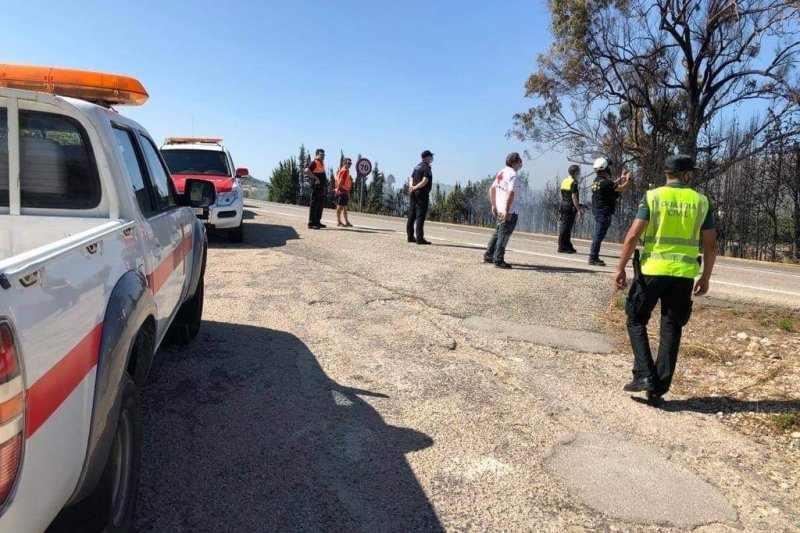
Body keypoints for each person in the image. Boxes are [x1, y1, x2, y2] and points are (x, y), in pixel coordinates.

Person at [614, 154, 717, 407]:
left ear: (667, 173)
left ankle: (643, 375)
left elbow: (633, 235)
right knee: (671, 328)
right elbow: (711, 245)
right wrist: (705, 277)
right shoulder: (701, 201)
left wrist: (620, 268)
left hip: (652, 271)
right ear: (686, 174)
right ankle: (658, 388)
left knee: (636, 319)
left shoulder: (653, 197)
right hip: (683, 275)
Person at [483, 152, 524, 269]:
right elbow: (511, 193)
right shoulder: (513, 175)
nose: (521, 163)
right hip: (509, 210)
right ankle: (498, 259)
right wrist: (507, 210)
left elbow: (492, 188)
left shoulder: (501, 172)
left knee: (498, 232)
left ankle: (489, 255)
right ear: (514, 162)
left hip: (500, 208)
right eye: (519, 161)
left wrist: (494, 205)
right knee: (504, 234)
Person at [407, 150, 434, 245]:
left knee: (412, 215)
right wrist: (416, 187)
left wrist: (411, 187)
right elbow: (425, 180)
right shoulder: (426, 167)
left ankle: (410, 236)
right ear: (427, 157)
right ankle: (420, 238)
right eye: (431, 157)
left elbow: (411, 178)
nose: (432, 158)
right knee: (420, 215)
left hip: (413, 193)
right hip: (421, 193)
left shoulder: (417, 166)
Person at [557, 164, 584, 253]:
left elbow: (561, 194)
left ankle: (568, 245)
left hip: (564, 204)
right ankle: (562, 246)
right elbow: (574, 197)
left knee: (566, 226)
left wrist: (562, 203)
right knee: (566, 227)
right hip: (570, 206)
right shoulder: (574, 182)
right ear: (575, 172)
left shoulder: (565, 180)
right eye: (578, 171)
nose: (579, 173)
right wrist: (578, 209)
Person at [305, 148, 327, 229]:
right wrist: (316, 178)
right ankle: (311, 223)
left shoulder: (321, 163)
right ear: (317, 154)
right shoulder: (314, 162)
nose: (323, 156)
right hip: (316, 187)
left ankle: (317, 222)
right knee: (314, 205)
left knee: (320, 205)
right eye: (321, 154)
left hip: (321, 187)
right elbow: (307, 170)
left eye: (324, 155)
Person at [335, 158, 354, 227]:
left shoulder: (346, 171)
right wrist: (346, 188)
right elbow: (340, 184)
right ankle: (339, 221)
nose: (349, 165)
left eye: (350, 164)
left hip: (345, 192)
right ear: (344, 163)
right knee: (340, 207)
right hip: (341, 192)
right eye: (348, 163)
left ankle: (347, 221)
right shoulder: (344, 171)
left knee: (345, 208)